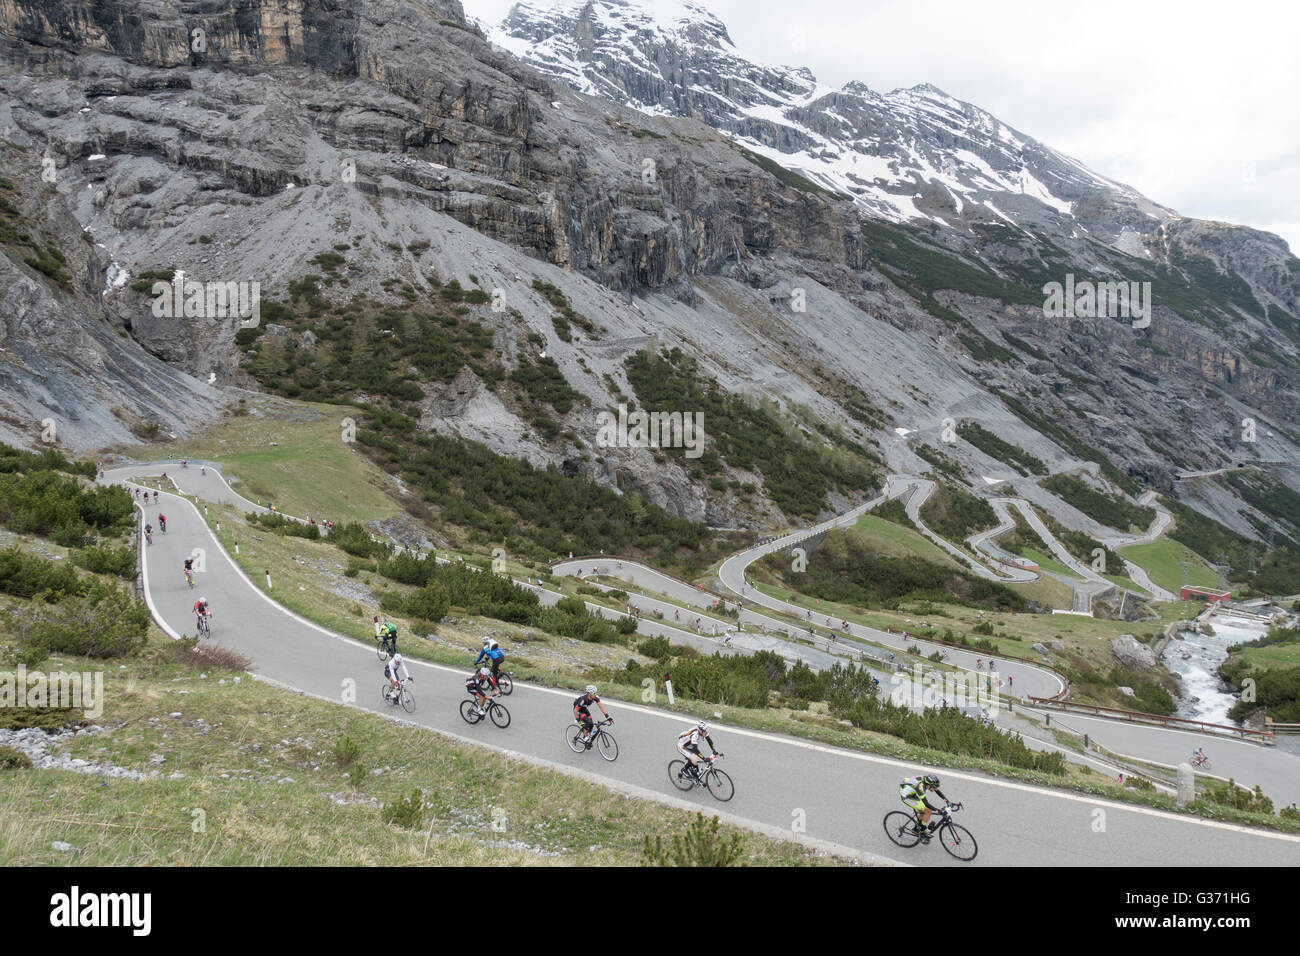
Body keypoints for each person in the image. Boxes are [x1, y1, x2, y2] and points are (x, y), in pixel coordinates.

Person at [898, 774, 951, 840]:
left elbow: (937, 790)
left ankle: (917, 827)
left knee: (923, 811)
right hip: (906, 796)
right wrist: (938, 810)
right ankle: (921, 830)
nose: (935, 789)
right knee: (928, 811)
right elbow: (926, 803)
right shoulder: (920, 787)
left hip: (912, 791)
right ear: (928, 785)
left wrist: (947, 801)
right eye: (933, 787)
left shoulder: (927, 781)